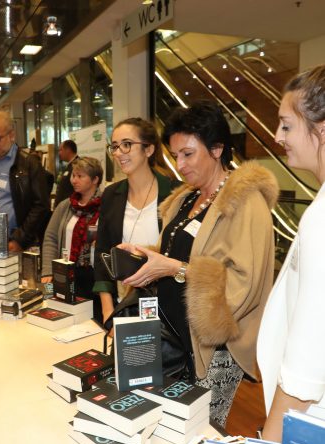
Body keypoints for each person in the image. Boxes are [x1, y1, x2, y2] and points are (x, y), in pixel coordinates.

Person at [119, 101, 278, 427]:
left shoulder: (246, 201)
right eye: (175, 155)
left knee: (198, 431)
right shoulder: (187, 197)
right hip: (171, 336)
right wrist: (145, 257)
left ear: (217, 149)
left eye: (188, 154)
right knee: (165, 425)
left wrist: (173, 269)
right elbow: (177, 251)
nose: (180, 164)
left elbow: (246, 282)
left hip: (213, 347)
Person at [258, 65, 325, 441]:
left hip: (308, 424)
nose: (277, 136)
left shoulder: (322, 218)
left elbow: (306, 367)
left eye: (287, 125)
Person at [93, 117, 176, 325]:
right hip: (124, 307)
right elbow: (103, 253)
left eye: (127, 144)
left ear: (149, 149)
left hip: (167, 311)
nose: (119, 152)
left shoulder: (176, 193)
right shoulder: (112, 194)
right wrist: (108, 312)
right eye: (115, 146)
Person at [0, 110, 50, 251]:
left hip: (14, 243)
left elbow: (41, 206)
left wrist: (20, 239)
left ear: (12, 135)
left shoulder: (29, 164)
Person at [41, 157, 104, 324]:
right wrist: (47, 271)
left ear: (95, 180)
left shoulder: (107, 205)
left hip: (96, 278)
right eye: (73, 175)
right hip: (67, 274)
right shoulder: (65, 205)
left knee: (96, 322)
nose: (74, 180)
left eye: (80, 176)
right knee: (68, 321)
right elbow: (50, 238)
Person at [54, 139, 78, 207]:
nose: (59, 153)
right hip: (63, 206)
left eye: (60, 150)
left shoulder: (78, 165)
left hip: (70, 207)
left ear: (68, 150)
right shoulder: (69, 166)